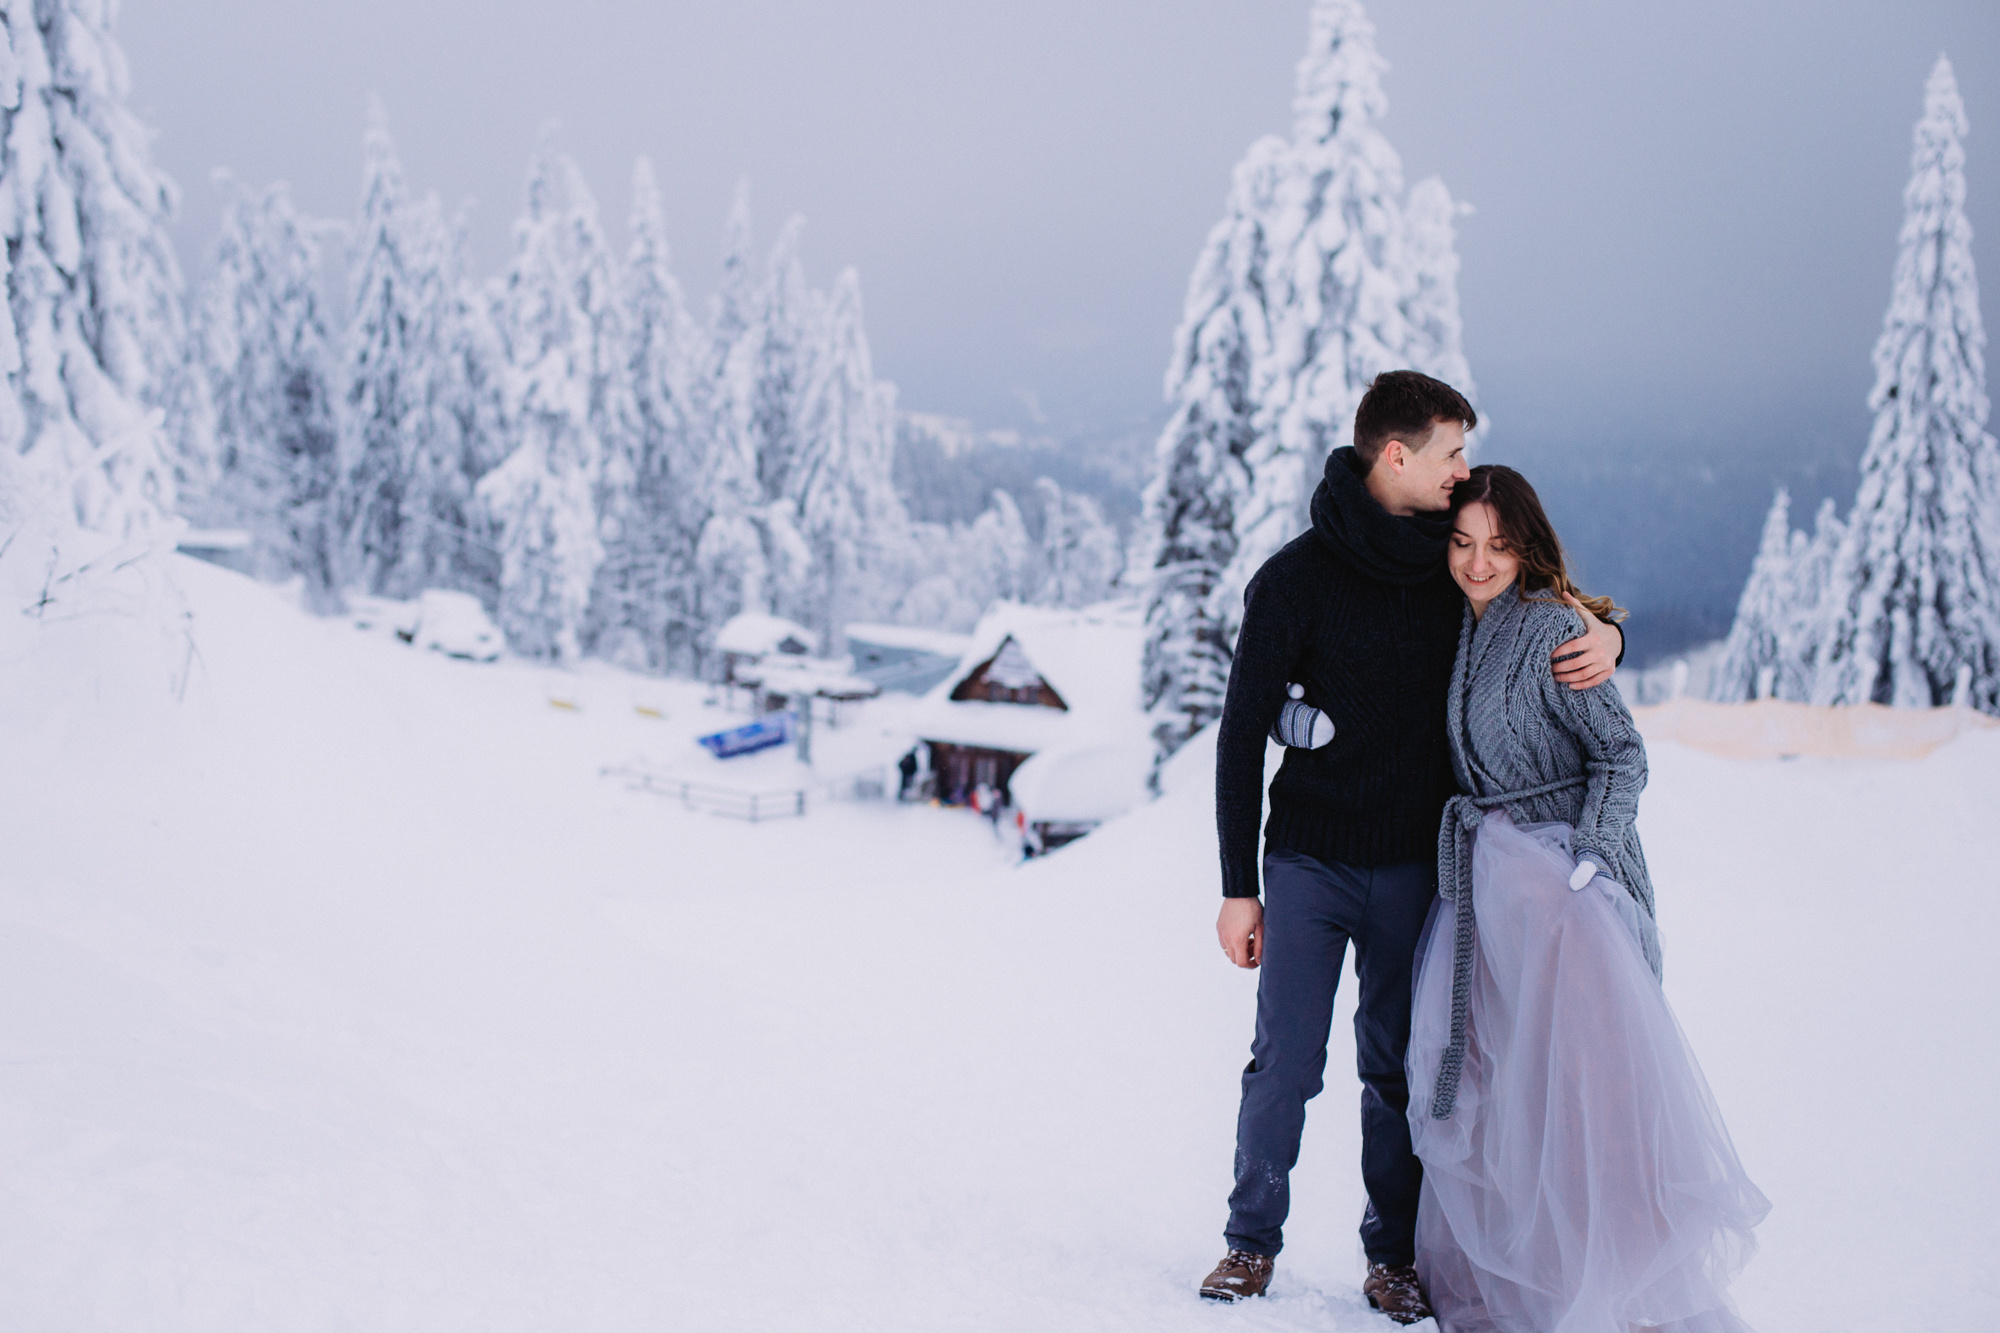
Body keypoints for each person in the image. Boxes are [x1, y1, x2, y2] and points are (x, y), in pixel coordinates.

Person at [1198, 371, 1625, 1322]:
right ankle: (1248, 1240)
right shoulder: (1294, 579)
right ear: (1397, 455)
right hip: (1307, 861)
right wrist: (1239, 885)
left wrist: (1607, 634)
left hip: (1418, 870)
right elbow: (1238, 734)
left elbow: (1534, 598)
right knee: (1286, 1060)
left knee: (1399, 1067)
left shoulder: (1450, 563)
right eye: (1450, 454)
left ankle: (1392, 1256)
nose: (1461, 473)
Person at [1403, 465, 1768, 1331]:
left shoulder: (1552, 630)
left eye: (1497, 544)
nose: (1478, 562)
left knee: (1586, 1104)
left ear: (1525, 545)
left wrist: (1592, 860)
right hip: (1492, 899)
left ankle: (1615, 1290)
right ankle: (1521, 1284)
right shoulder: (1459, 622)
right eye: (1461, 543)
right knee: (1505, 1101)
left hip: (1568, 899)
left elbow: (1623, 756)